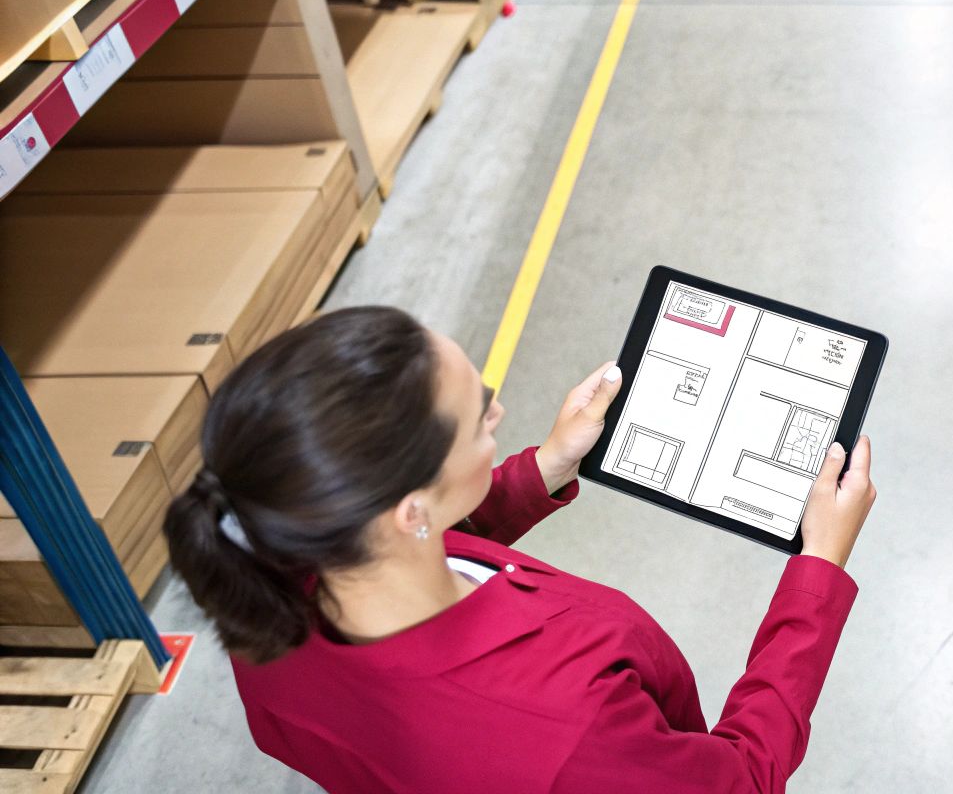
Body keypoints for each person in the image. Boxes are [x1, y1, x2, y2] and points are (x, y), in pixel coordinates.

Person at [164, 305, 877, 793]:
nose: (498, 411)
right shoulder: (566, 733)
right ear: (411, 509)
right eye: (479, 415)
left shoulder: (268, 576)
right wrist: (817, 571)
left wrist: (545, 469)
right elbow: (742, 779)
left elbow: (426, 546)